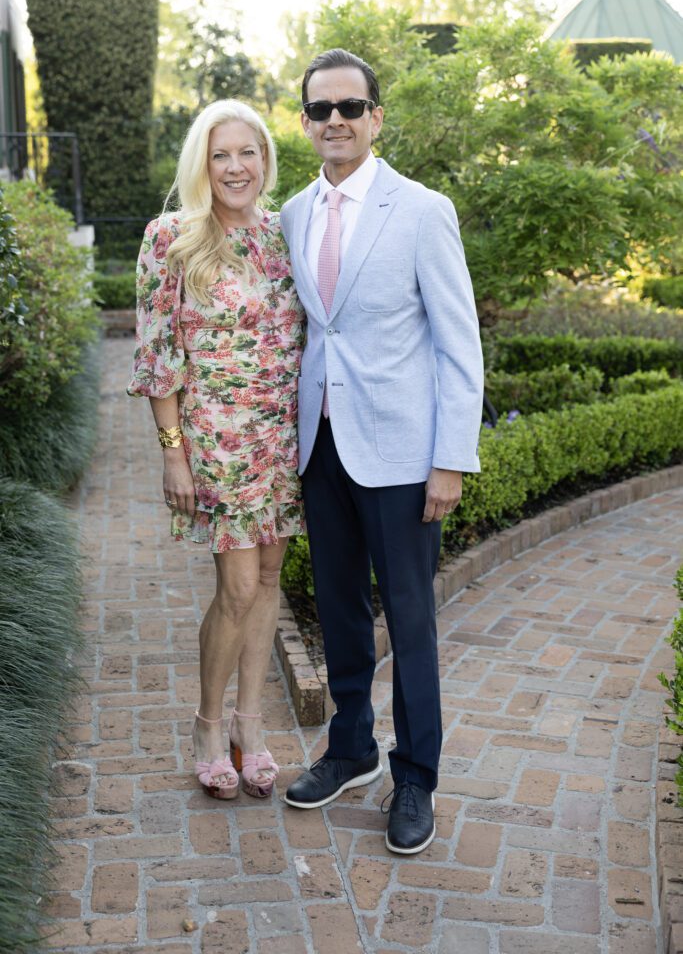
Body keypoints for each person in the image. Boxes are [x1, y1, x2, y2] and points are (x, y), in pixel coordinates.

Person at [281, 49, 484, 854]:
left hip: (402, 454)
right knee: (336, 610)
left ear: (375, 117)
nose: (336, 121)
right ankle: (350, 747)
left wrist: (450, 458)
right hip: (321, 446)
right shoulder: (293, 213)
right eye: (320, 110)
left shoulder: (422, 209)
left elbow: (456, 342)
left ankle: (415, 778)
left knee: (409, 618)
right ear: (304, 123)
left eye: (350, 108)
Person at [128, 100, 305, 801]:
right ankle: (207, 727)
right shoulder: (171, 236)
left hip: (283, 435)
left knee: (267, 581)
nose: (235, 167)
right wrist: (173, 451)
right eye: (220, 154)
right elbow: (157, 352)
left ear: (265, 159)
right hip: (216, 439)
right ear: (202, 163)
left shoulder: (283, 232)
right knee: (234, 587)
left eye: (247, 153)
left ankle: (250, 726)